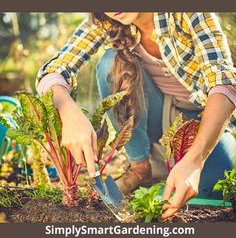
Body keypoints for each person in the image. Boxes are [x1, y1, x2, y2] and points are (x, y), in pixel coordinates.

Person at [36, 12, 236, 219]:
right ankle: (141, 167)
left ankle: (176, 163)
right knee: (110, 64)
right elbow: (52, 71)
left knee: (214, 189)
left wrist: (195, 160)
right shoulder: (106, 19)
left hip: (200, 122)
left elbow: (225, 85)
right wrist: (68, 111)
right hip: (156, 119)